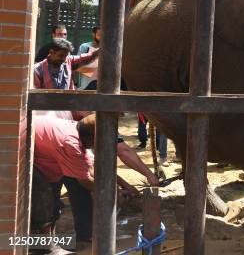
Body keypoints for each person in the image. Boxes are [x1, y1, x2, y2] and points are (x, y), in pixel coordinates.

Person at [32, 113, 159, 246]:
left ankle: (67, 240)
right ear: (93, 140)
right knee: (46, 208)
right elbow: (85, 181)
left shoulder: (78, 134)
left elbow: (96, 169)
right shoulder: (73, 145)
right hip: (26, 156)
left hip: (47, 159)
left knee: (57, 204)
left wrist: (125, 185)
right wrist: (114, 192)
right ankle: (42, 246)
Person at [33, 38, 98, 92]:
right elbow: (37, 94)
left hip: (69, 104)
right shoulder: (38, 70)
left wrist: (101, 49)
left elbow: (90, 56)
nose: (64, 59)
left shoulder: (68, 61)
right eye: (61, 56)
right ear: (51, 52)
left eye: (66, 56)